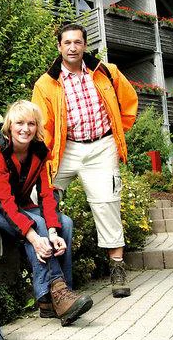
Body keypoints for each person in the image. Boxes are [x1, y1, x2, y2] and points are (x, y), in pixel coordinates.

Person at [32, 23, 138, 298]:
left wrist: (118, 131)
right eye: (67, 42)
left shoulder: (106, 72)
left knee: (107, 204)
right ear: (59, 46)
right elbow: (43, 126)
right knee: (38, 195)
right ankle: (50, 270)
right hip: (66, 149)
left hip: (102, 147)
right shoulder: (46, 84)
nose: (72, 47)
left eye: (77, 42)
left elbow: (129, 101)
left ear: (85, 45)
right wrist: (44, 157)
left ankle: (117, 268)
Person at [0, 100, 93, 326]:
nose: (25, 129)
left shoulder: (38, 152)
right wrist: (34, 237)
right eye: (20, 123)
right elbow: (3, 201)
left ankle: (58, 298)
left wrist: (52, 232)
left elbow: (46, 194)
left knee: (65, 223)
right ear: (9, 125)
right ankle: (54, 293)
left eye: (31, 124)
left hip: (18, 205)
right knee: (35, 224)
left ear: (37, 127)